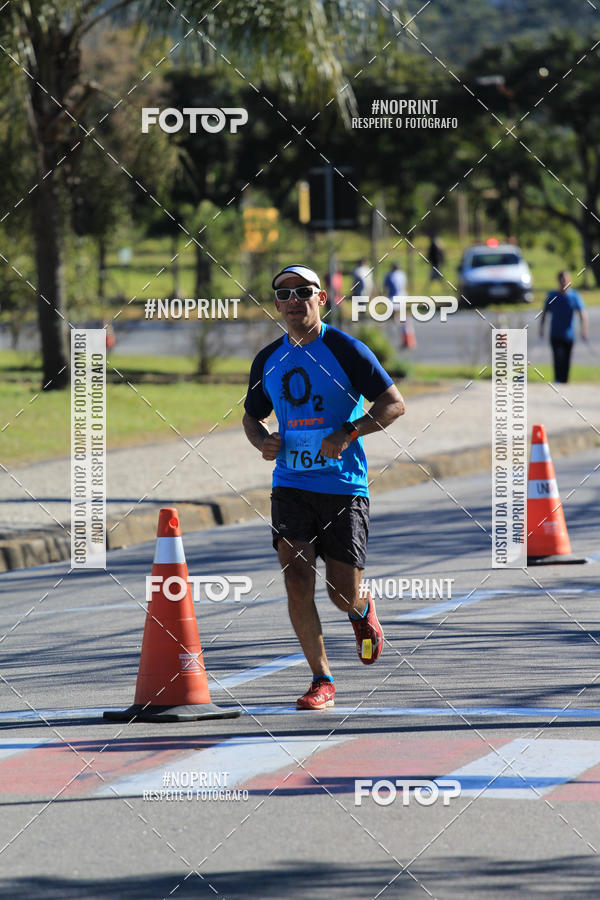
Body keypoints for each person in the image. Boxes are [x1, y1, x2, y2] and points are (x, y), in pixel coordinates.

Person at [243, 264, 406, 710]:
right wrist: (264, 441)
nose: (294, 300)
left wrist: (348, 432)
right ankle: (322, 679)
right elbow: (252, 415)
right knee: (297, 578)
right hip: (291, 483)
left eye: (303, 292)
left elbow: (394, 404)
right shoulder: (267, 360)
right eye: (284, 293)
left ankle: (361, 607)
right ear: (276, 304)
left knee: (340, 592)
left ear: (322, 298)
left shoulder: (346, 349)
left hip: (342, 485)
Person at [539, 270, 588, 383]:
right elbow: (544, 312)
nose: (563, 282)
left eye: (565, 280)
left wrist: (584, 330)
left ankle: (565, 380)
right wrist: (541, 328)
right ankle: (558, 380)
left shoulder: (574, 296)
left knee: (566, 359)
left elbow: (582, 313)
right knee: (558, 357)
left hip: (569, 334)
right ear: (558, 281)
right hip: (555, 333)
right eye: (561, 280)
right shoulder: (552, 296)